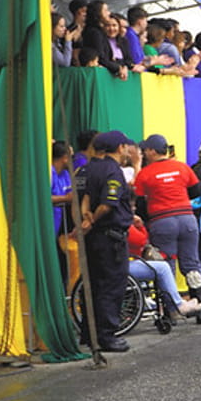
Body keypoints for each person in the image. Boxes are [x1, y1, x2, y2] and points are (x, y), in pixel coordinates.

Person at [76, 131, 137, 352]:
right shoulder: (113, 171)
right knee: (112, 285)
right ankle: (107, 335)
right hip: (109, 236)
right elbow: (108, 203)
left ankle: (88, 332)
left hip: (91, 237)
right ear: (120, 147)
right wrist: (93, 219)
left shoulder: (85, 169)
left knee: (91, 284)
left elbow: (84, 197)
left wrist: (85, 218)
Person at [134, 134, 201, 320]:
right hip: (187, 218)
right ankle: (200, 307)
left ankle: (171, 311)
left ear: (151, 151)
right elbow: (197, 190)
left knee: (165, 263)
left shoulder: (145, 173)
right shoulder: (182, 167)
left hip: (162, 221)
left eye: (146, 150)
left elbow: (140, 203)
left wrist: (147, 219)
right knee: (191, 263)